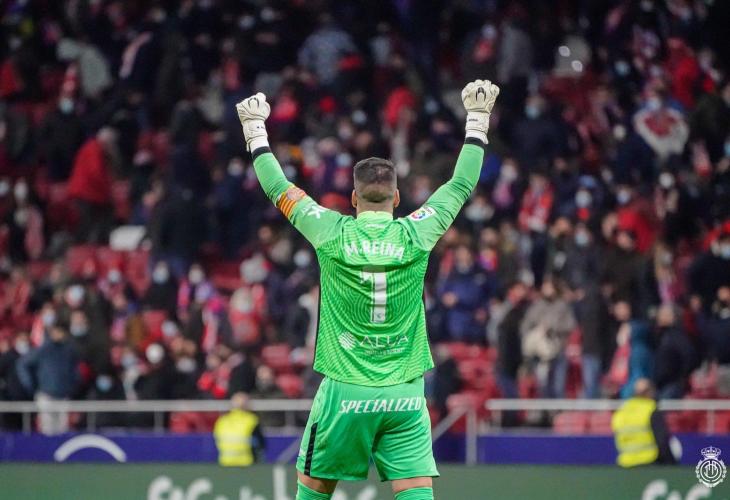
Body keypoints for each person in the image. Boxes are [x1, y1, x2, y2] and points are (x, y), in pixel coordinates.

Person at [235, 79, 500, 500]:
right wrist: (478, 120)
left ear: (354, 199)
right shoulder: (417, 233)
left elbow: (278, 188)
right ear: (396, 198)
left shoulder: (330, 231)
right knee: (414, 490)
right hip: (404, 392)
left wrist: (255, 131)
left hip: (345, 390)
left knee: (314, 488)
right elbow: (460, 184)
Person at [16, 323, 80, 435]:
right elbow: (22, 364)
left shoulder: (69, 351)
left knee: (63, 431)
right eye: (56, 332)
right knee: (47, 430)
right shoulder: (43, 350)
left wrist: (72, 386)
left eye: (60, 332)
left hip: (63, 396)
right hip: (46, 395)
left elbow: (75, 371)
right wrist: (31, 385)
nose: (58, 335)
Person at [611, 378, 677, 467]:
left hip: (625, 464)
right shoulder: (651, 409)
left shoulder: (621, 411)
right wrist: (671, 463)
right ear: (649, 392)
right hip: (649, 463)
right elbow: (662, 441)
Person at [213, 392, 266, 467]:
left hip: (225, 462)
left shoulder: (222, 420)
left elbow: (216, 440)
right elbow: (261, 444)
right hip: (247, 463)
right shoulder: (251, 420)